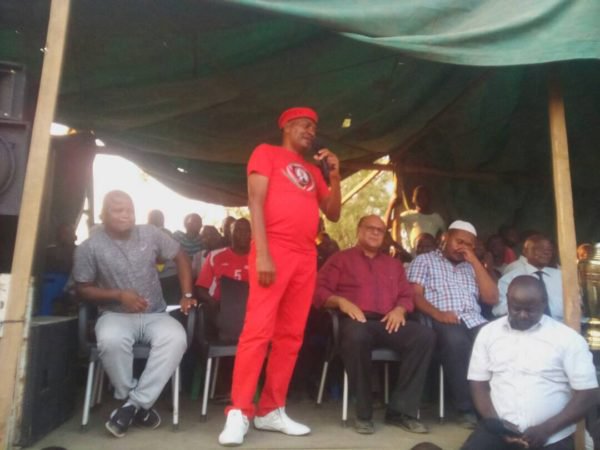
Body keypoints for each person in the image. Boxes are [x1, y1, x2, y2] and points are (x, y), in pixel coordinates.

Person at [218, 107, 341, 446]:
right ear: (286, 126)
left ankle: (271, 409)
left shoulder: (312, 170)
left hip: (305, 256)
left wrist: (334, 176)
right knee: (257, 331)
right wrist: (262, 252)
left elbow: (333, 213)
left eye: (314, 127)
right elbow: (255, 202)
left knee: (291, 335)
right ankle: (239, 411)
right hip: (274, 247)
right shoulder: (266, 153)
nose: (311, 131)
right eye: (305, 125)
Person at [73, 190, 197, 438]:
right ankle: (138, 405)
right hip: (114, 315)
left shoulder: (150, 233)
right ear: (103, 215)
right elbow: (82, 289)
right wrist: (119, 295)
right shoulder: (90, 247)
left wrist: (186, 294)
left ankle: (131, 405)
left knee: (176, 339)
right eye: (118, 210)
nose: (125, 215)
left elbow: (181, 256)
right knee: (110, 340)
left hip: (156, 315)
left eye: (129, 210)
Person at [314, 215, 435, 435]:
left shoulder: (394, 265)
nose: (375, 233)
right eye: (370, 228)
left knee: (424, 336)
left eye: (380, 230)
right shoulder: (341, 259)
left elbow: (407, 296)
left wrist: (400, 309)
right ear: (359, 230)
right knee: (357, 337)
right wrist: (340, 302)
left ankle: (401, 412)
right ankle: (364, 414)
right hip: (355, 320)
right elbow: (319, 290)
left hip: (388, 321)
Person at [462, 276, 599, 450]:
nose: (523, 315)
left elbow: (588, 393)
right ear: (508, 301)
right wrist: (495, 424)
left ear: (544, 303)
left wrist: (547, 429)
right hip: (499, 433)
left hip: (552, 437)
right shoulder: (488, 334)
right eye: (516, 308)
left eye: (530, 310)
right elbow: (478, 384)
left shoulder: (568, 339)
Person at [407, 220, 498, 428]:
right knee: (457, 342)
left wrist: (475, 261)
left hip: (474, 320)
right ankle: (467, 409)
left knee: (499, 341)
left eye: (469, 245)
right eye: (459, 242)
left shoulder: (472, 265)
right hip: (440, 319)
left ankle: (497, 406)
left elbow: (492, 298)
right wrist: (438, 314)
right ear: (445, 238)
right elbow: (415, 295)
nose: (462, 248)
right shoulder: (424, 260)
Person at [493, 235, 564, 321]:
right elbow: (498, 310)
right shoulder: (510, 278)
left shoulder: (561, 276)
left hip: (561, 325)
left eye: (549, 250)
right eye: (539, 249)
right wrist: (522, 307)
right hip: (526, 326)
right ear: (525, 251)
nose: (546, 252)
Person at [399, 186, 446, 254]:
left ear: (429, 199)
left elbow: (445, 235)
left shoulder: (436, 218)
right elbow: (388, 225)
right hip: (412, 255)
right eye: (418, 196)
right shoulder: (408, 215)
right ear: (413, 199)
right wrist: (391, 206)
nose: (421, 199)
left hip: (431, 255)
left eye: (424, 196)